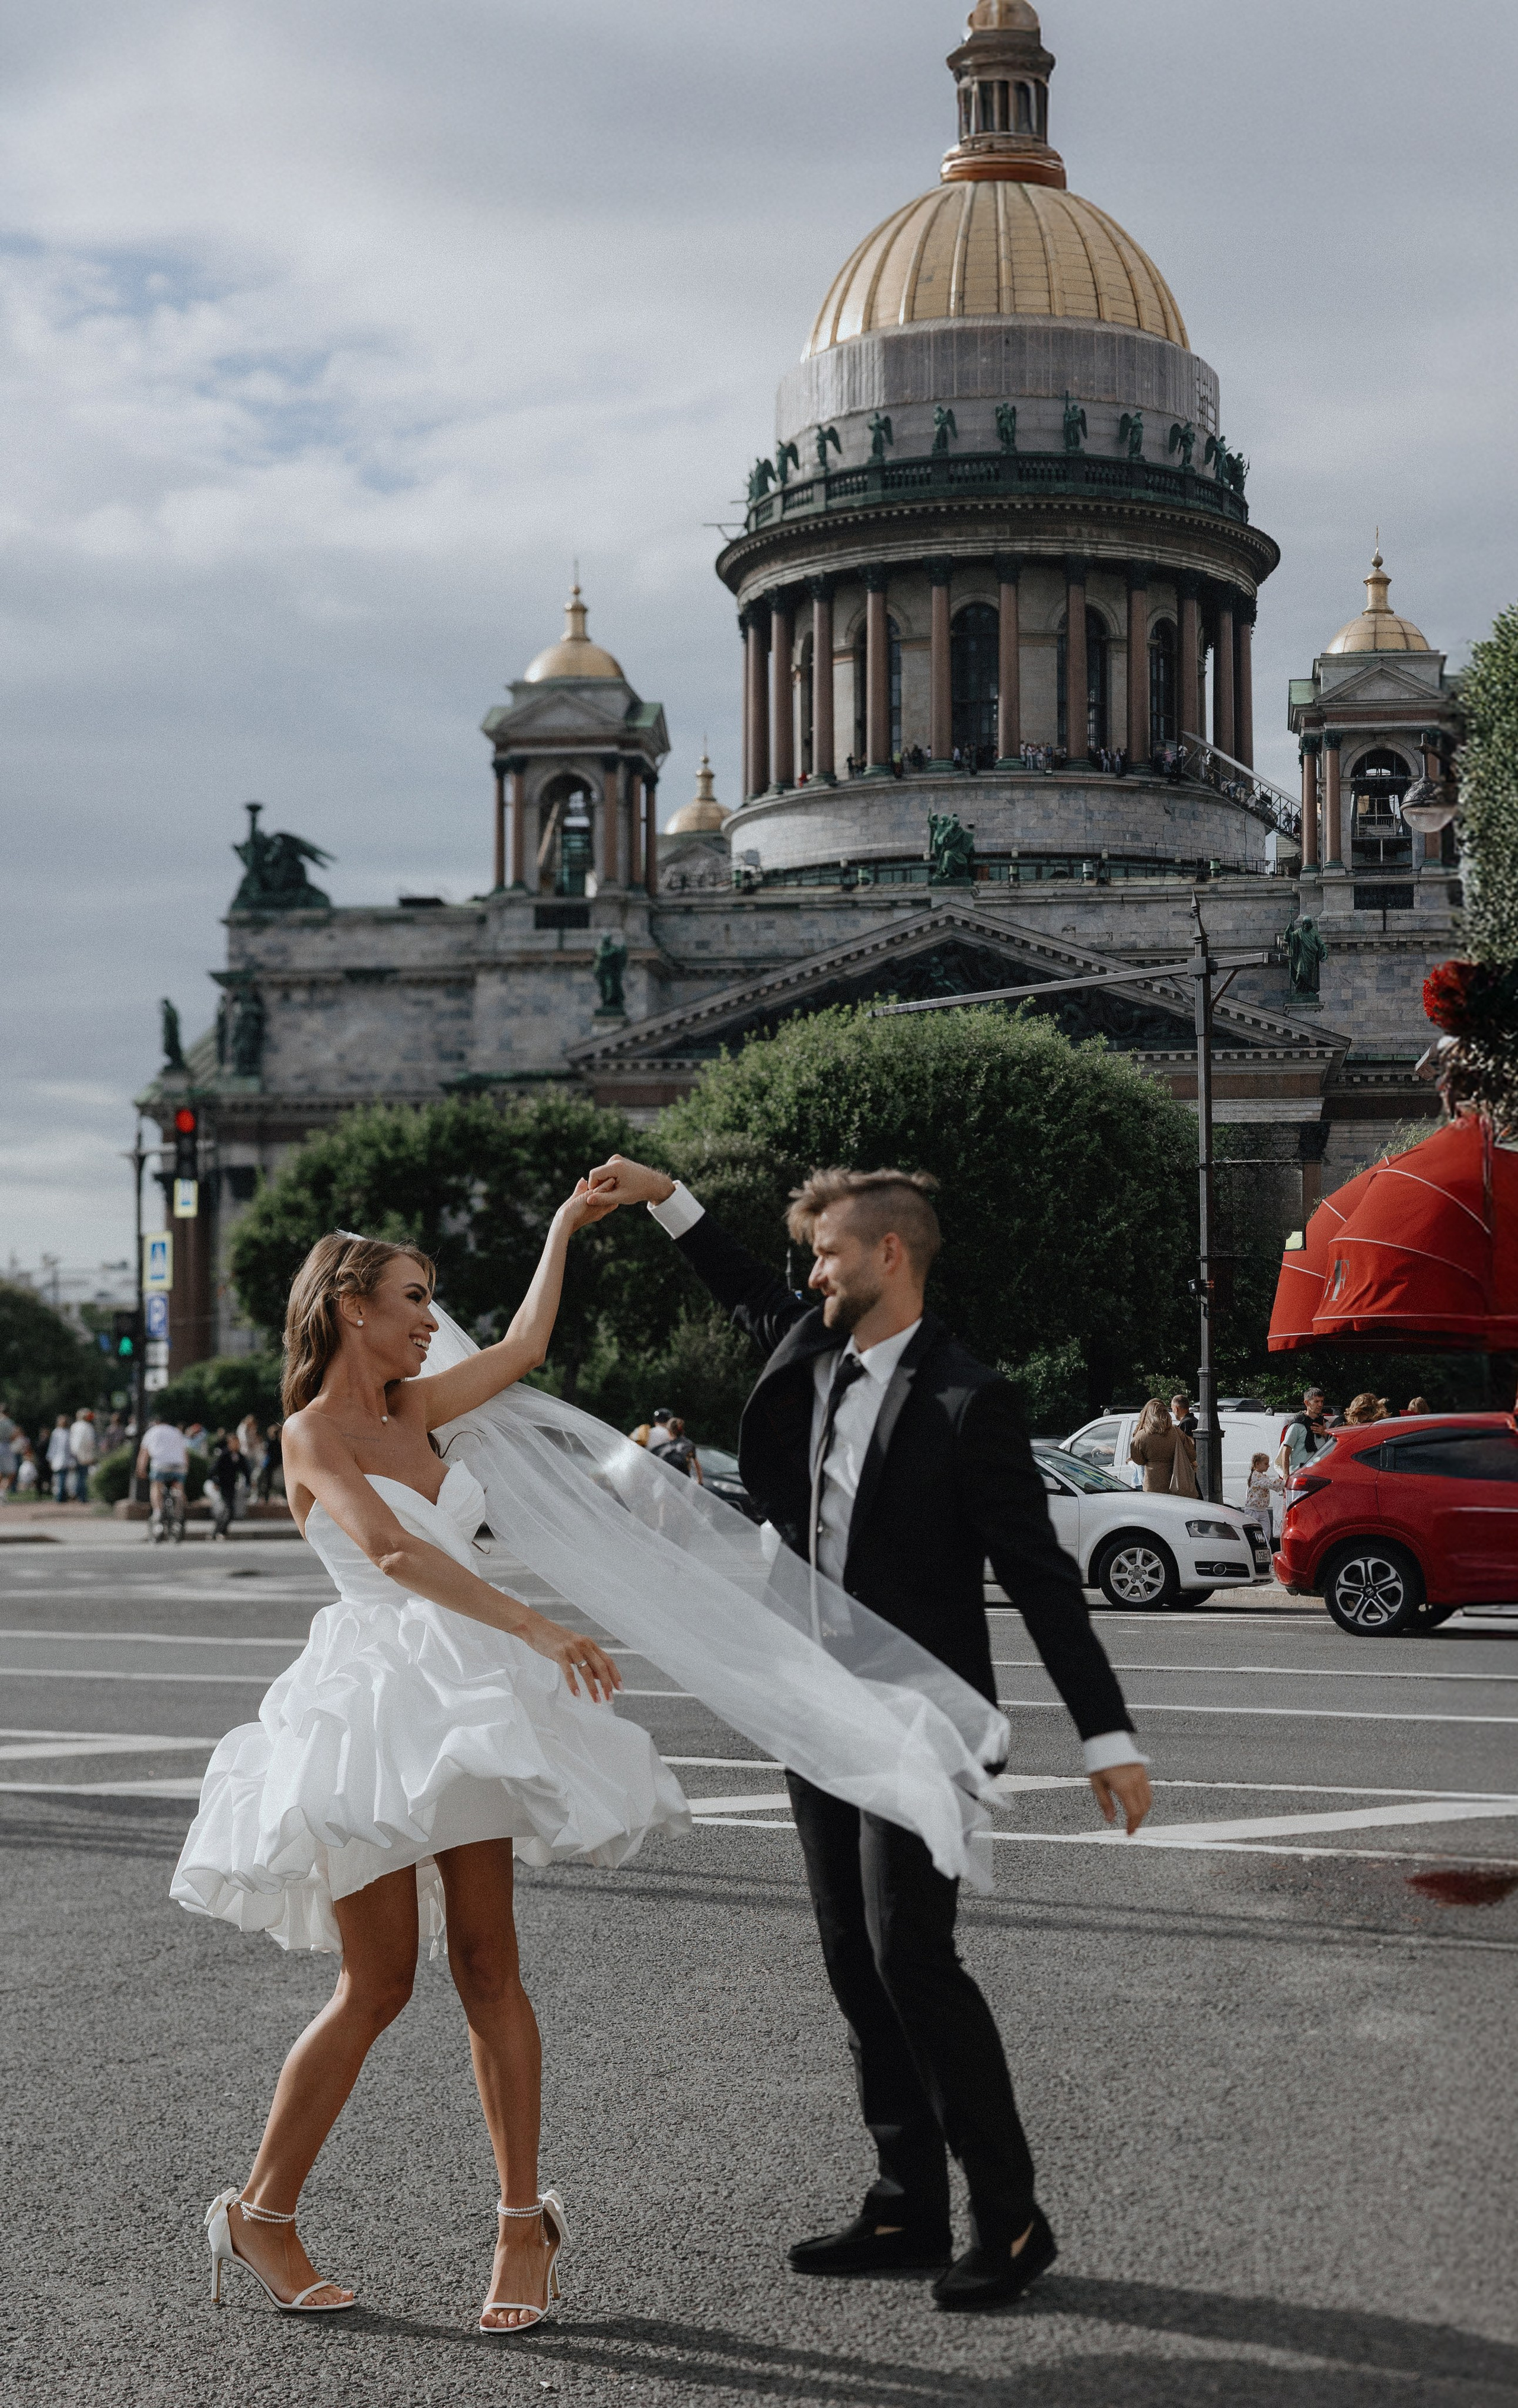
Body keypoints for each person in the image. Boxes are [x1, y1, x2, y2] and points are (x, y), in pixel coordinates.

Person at [586, 1152, 1149, 2314]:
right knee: (852, 1955)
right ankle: (904, 2200)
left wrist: (1105, 1732)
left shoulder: (965, 1397)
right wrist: (664, 1198)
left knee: (912, 1955)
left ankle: (1011, 2214)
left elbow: (1038, 1575)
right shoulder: (811, 1350)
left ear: (887, 1253)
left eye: (826, 1252)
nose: (809, 1270)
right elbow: (742, 1284)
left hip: (917, 1715)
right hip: (812, 1702)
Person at [173, 1198, 688, 2333]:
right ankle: (262, 2213)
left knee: (490, 1968)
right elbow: (395, 1550)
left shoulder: (418, 1405)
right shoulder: (313, 1432)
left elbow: (525, 1352)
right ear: (353, 1309)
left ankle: (522, 2226)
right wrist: (538, 1629)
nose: (429, 1321)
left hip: (464, 1703)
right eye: (412, 1300)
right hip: (374, 1709)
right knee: (380, 1982)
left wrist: (563, 1225)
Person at [1129, 1397, 1198, 1496]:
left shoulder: (1142, 1436)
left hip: (1152, 1485)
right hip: (1176, 1483)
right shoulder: (1176, 1432)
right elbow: (1191, 1454)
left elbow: (1138, 1460)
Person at [136, 1410, 190, 1524]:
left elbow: (144, 1453)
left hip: (160, 1465)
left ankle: (158, 1512)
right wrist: (186, 1468)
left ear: (157, 1422)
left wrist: (141, 1469)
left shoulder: (152, 1432)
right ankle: (178, 1511)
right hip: (179, 1465)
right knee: (179, 1487)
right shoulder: (176, 1432)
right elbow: (185, 1452)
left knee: (156, 1486)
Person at [648, 1410, 703, 1485]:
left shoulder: (662, 1448)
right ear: (682, 1430)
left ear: (669, 1432)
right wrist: (700, 1482)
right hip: (685, 1480)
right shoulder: (689, 1444)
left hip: (667, 1482)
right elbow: (697, 1466)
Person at [1245, 1451, 1284, 1541]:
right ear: (1258, 1464)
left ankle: (1264, 1547)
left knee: (1266, 1533)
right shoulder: (1257, 1476)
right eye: (1266, 1464)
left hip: (1262, 1510)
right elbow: (1269, 1484)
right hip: (1253, 1510)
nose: (1268, 1466)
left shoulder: (1262, 1476)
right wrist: (1284, 1482)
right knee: (1254, 1533)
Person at [209, 1434, 243, 1539]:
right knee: (229, 1509)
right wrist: (215, 1482)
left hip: (232, 1485)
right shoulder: (224, 1454)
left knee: (227, 1510)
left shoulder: (238, 1455)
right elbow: (212, 1470)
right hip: (223, 1485)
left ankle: (218, 1532)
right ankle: (220, 1532)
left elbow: (245, 1469)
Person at [68, 1406, 98, 1502]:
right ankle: (82, 1496)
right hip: (84, 1454)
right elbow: (90, 1442)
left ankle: (75, 1494)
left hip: (74, 1454)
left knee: (76, 1476)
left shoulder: (74, 1426)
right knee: (83, 1476)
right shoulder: (88, 1427)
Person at [46, 1414, 73, 1503]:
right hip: (57, 1459)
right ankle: (60, 1497)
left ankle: (62, 1497)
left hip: (66, 1459)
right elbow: (53, 1447)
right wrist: (50, 1458)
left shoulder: (69, 1432)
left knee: (65, 1480)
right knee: (59, 1479)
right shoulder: (56, 1433)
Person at [257, 1421, 283, 1504]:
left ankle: (265, 1497)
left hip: (272, 1464)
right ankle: (265, 1498)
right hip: (271, 1464)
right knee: (266, 1482)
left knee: (266, 1482)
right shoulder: (275, 1442)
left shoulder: (273, 1442)